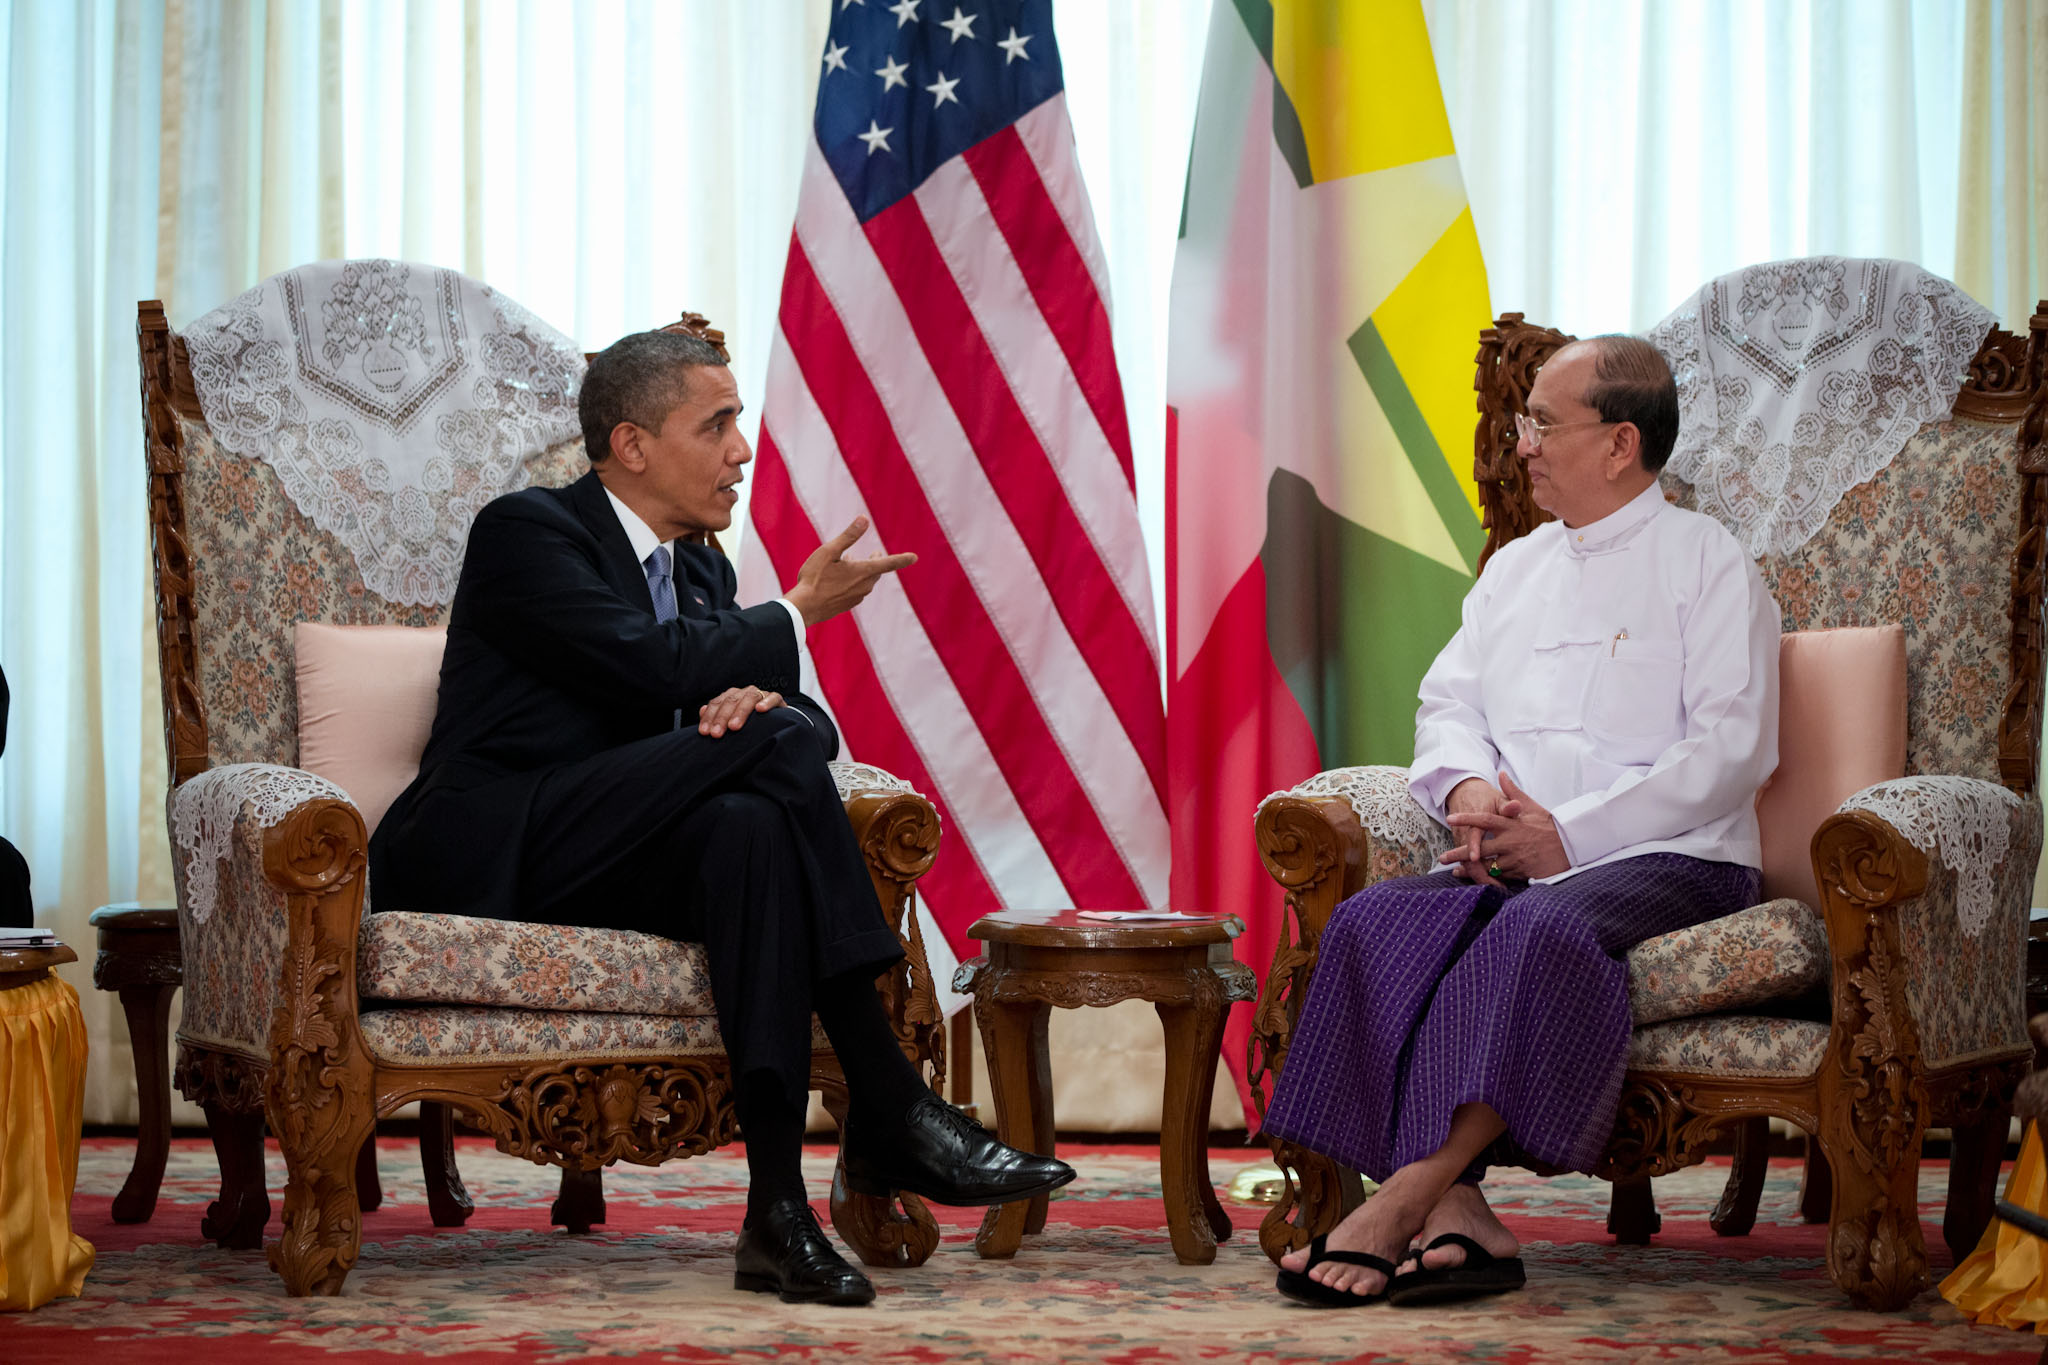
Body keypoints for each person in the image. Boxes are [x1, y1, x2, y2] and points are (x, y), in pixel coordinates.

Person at [370, 328, 1073, 1307]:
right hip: (493, 846)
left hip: (620, 850)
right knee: (766, 749)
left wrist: (765, 703)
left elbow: (800, 729)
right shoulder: (528, 533)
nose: (742, 448)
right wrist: (794, 616)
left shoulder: (697, 572)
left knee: (748, 826)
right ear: (633, 445)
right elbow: (648, 671)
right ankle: (889, 1103)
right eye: (717, 423)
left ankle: (776, 1218)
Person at [1259, 335, 1780, 1308]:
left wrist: (1569, 836)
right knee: (1375, 920)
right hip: (1516, 855)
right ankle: (1468, 1221)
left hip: (1673, 856)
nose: (1522, 443)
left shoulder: (1705, 563)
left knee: (1538, 927)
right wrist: (1464, 794)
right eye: (1523, 421)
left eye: (1542, 421)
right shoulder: (1515, 567)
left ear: (1619, 443)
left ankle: (1404, 1197)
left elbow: (1730, 752)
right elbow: (1446, 704)